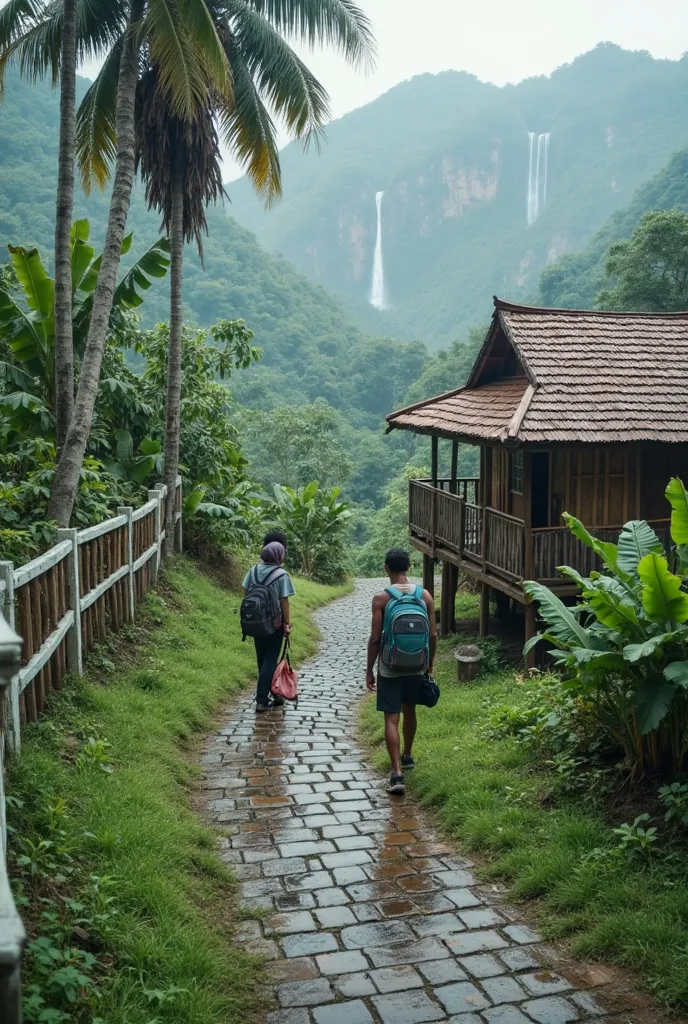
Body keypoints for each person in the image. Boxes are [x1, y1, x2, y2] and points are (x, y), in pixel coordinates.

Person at [366, 548, 437, 794]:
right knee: (410, 709)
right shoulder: (424, 596)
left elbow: (375, 639)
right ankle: (407, 755)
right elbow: (433, 634)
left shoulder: (381, 599)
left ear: (386, 568)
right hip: (417, 664)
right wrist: (429, 663)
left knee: (391, 718)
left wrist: (369, 670)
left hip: (390, 666)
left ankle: (397, 774)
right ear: (408, 567)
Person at [242, 533, 295, 712]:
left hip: (255, 622)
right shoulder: (281, 575)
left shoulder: (253, 570)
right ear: (278, 556)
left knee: (262, 658)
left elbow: (245, 591)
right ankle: (262, 699)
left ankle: (275, 694)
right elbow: (284, 601)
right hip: (274, 623)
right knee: (271, 659)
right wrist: (287, 624)